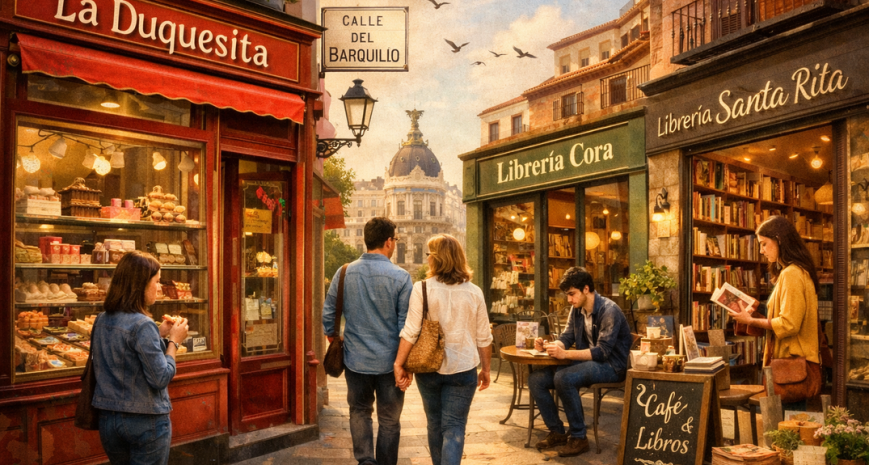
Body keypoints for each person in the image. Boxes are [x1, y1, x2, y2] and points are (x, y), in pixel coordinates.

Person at [393, 234, 493, 465]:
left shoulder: (422, 288)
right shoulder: (474, 292)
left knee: (434, 423)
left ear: (437, 259)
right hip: (463, 368)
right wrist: (486, 369)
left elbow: (411, 331)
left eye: (429, 254)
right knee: (454, 426)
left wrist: (399, 363)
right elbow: (484, 337)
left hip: (428, 368)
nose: (427, 258)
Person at [323, 217, 413, 465]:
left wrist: (335, 340)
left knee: (359, 411)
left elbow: (329, 314)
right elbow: (406, 326)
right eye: (395, 239)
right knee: (389, 420)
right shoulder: (402, 277)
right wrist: (404, 364)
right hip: (391, 362)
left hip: (355, 360)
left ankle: (365, 461)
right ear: (388, 242)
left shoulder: (344, 272)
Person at [92, 251, 189, 464]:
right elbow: (160, 377)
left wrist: (159, 334)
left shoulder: (101, 319)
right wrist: (174, 341)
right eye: (157, 281)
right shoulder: (143, 324)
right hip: (144, 421)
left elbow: (125, 353)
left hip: (109, 419)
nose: (160, 287)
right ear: (141, 284)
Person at [527, 266, 633, 457]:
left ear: (586, 289)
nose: (569, 299)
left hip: (612, 366)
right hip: (589, 363)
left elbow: (602, 352)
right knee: (536, 380)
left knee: (564, 378)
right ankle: (557, 432)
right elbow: (567, 337)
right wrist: (551, 346)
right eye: (567, 295)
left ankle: (579, 437)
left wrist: (565, 355)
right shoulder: (577, 309)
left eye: (572, 294)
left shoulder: (609, 310)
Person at [728, 215, 821, 409]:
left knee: (786, 422)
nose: (761, 251)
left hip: (791, 367)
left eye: (764, 244)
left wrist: (750, 321)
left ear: (779, 240)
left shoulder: (791, 274)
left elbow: (789, 324)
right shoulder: (796, 271)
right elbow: (788, 313)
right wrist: (758, 307)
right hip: (793, 365)